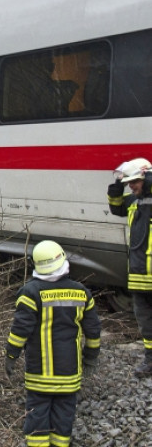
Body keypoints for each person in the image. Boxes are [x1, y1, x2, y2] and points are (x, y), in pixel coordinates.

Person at [5, 240, 101, 447]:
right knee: (64, 414)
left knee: (37, 413)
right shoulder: (81, 292)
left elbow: (20, 330)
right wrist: (91, 358)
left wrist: (11, 355)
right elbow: (93, 332)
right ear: (63, 260)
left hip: (39, 373)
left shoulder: (30, 293)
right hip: (69, 373)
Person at [107, 157, 152, 377]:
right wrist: (117, 185)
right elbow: (116, 208)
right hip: (139, 276)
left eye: (135, 181)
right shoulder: (134, 201)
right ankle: (150, 360)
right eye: (129, 183)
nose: (131, 186)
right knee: (145, 323)